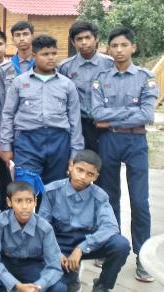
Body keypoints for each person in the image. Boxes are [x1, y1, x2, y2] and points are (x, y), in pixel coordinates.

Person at [91, 26, 158, 282]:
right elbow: (96, 114)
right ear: (108, 49)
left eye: (124, 45)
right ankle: (112, 247)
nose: (119, 50)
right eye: (114, 46)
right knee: (109, 197)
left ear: (133, 47)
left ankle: (142, 257)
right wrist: (129, 114)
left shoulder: (145, 77)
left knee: (140, 201)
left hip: (136, 142)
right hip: (109, 140)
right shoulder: (101, 78)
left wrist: (111, 118)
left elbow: (147, 115)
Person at [0, 35, 83, 196]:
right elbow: (8, 114)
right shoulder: (19, 82)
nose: (50, 58)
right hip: (27, 142)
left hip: (59, 142)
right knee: (25, 190)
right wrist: (6, 145)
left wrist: (75, 152)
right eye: (45, 54)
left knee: (55, 192)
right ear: (34, 55)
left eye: (53, 53)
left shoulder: (67, 84)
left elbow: (75, 120)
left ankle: (49, 214)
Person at [39, 149, 130, 292]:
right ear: (71, 166)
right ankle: (71, 277)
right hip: (59, 243)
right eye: (79, 170)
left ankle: (102, 286)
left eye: (90, 174)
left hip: (87, 242)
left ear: (96, 176)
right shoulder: (51, 191)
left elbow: (110, 227)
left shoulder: (100, 197)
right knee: (62, 287)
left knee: (121, 245)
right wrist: (55, 252)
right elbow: (42, 226)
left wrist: (81, 248)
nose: (83, 177)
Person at [0, 182, 66, 292]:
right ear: (9, 202)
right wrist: (16, 285)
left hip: (32, 266)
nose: (24, 206)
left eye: (29, 201)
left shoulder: (45, 228)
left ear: (35, 202)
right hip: (6, 264)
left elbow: (54, 265)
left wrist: (37, 286)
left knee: (59, 287)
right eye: (18, 201)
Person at [0, 21, 35, 209]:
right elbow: (1, 109)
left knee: (34, 182)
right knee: (9, 183)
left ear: (32, 35)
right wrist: (3, 141)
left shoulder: (43, 65)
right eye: (17, 35)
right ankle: (8, 219)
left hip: (36, 133)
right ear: (13, 39)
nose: (22, 38)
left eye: (25, 34)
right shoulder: (4, 70)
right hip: (12, 134)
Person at [58, 21, 113, 153]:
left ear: (96, 38)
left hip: (104, 123)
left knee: (105, 161)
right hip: (78, 124)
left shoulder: (110, 64)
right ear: (73, 42)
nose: (84, 42)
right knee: (78, 161)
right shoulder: (65, 67)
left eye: (88, 37)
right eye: (79, 39)